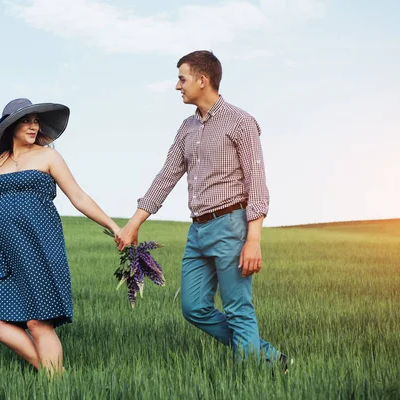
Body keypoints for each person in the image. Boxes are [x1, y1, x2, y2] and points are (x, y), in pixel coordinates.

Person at [115, 51, 290, 369]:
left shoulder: (240, 122)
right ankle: (268, 357)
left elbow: (257, 184)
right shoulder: (186, 128)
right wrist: (133, 224)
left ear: (202, 80)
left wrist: (253, 239)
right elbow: (166, 175)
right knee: (194, 307)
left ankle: (252, 374)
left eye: (182, 79)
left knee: (238, 309)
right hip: (198, 230)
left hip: (232, 226)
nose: (177, 86)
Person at [0, 98, 120, 376]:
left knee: (38, 323)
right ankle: (53, 372)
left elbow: (78, 197)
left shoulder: (48, 156)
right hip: (9, 254)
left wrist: (114, 227)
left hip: (41, 247)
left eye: (36, 121)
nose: (33, 126)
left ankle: (53, 381)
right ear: (10, 127)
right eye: (26, 121)